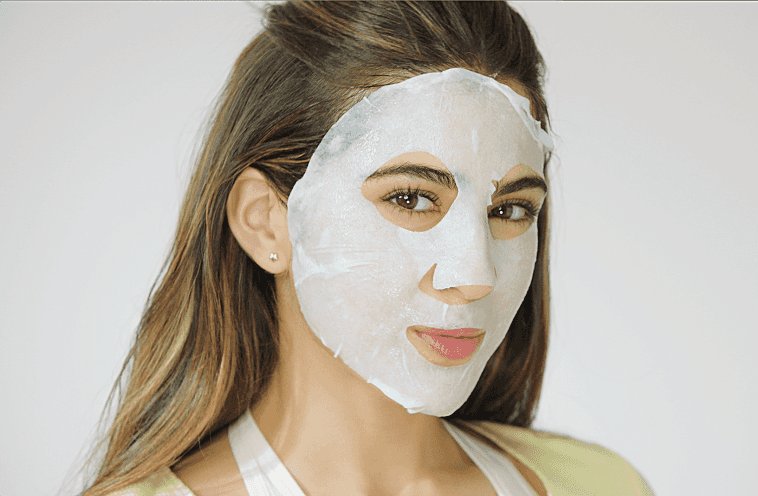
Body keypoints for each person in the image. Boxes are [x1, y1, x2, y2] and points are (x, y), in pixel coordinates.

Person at [82, 2, 652, 495]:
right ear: (267, 224)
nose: (475, 275)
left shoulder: (602, 485)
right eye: (411, 198)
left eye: (510, 210)